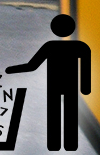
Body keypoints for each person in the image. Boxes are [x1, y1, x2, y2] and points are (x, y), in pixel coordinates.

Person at [6, 12, 91, 151]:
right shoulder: (81, 47)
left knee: (54, 116)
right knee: (71, 115)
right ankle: (70, 144)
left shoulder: (50, 46)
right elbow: (86, 70)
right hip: (71, 86)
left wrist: (11, 69)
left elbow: (31, 66)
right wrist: (85, 88)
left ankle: (54, 144)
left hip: (54, 86)